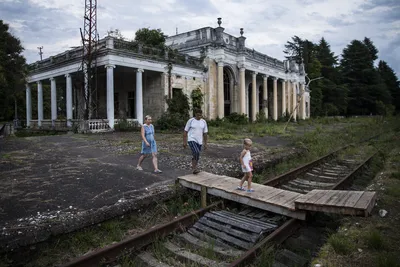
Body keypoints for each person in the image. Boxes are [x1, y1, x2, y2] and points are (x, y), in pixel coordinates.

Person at [183, 108, 208, 174]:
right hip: (191, 139)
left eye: (200, 115)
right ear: (195, 114)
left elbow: (205, 134)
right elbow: (185, 131)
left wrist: (205, 144)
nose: (199, 117)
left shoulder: (203, 122)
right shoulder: (191, 121)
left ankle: (194, 166)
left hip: (199, 141)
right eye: (198, 115)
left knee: (197, 155)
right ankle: (194, 168)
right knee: (196, 152)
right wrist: (184, 142)